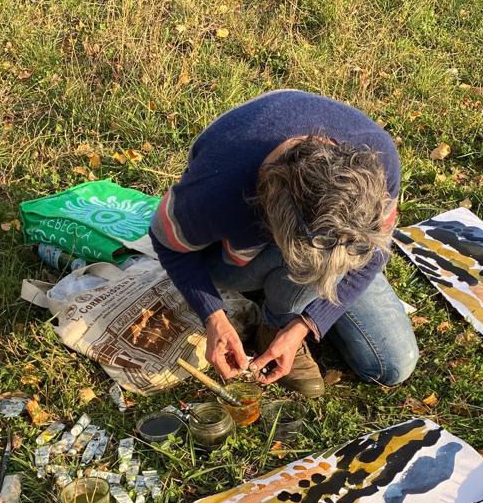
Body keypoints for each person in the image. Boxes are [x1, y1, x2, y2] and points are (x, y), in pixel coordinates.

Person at [150, 89, 419, 397]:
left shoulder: (379, 162)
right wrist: (213, 315)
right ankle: (276, 318)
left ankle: (291, 307)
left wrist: (307, 323)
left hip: (307, 246)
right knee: (309, 268)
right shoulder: (217, 191)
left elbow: (372, 256)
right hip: (235, 257)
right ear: (271, 217)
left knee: (392, 365)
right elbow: (167, 243)